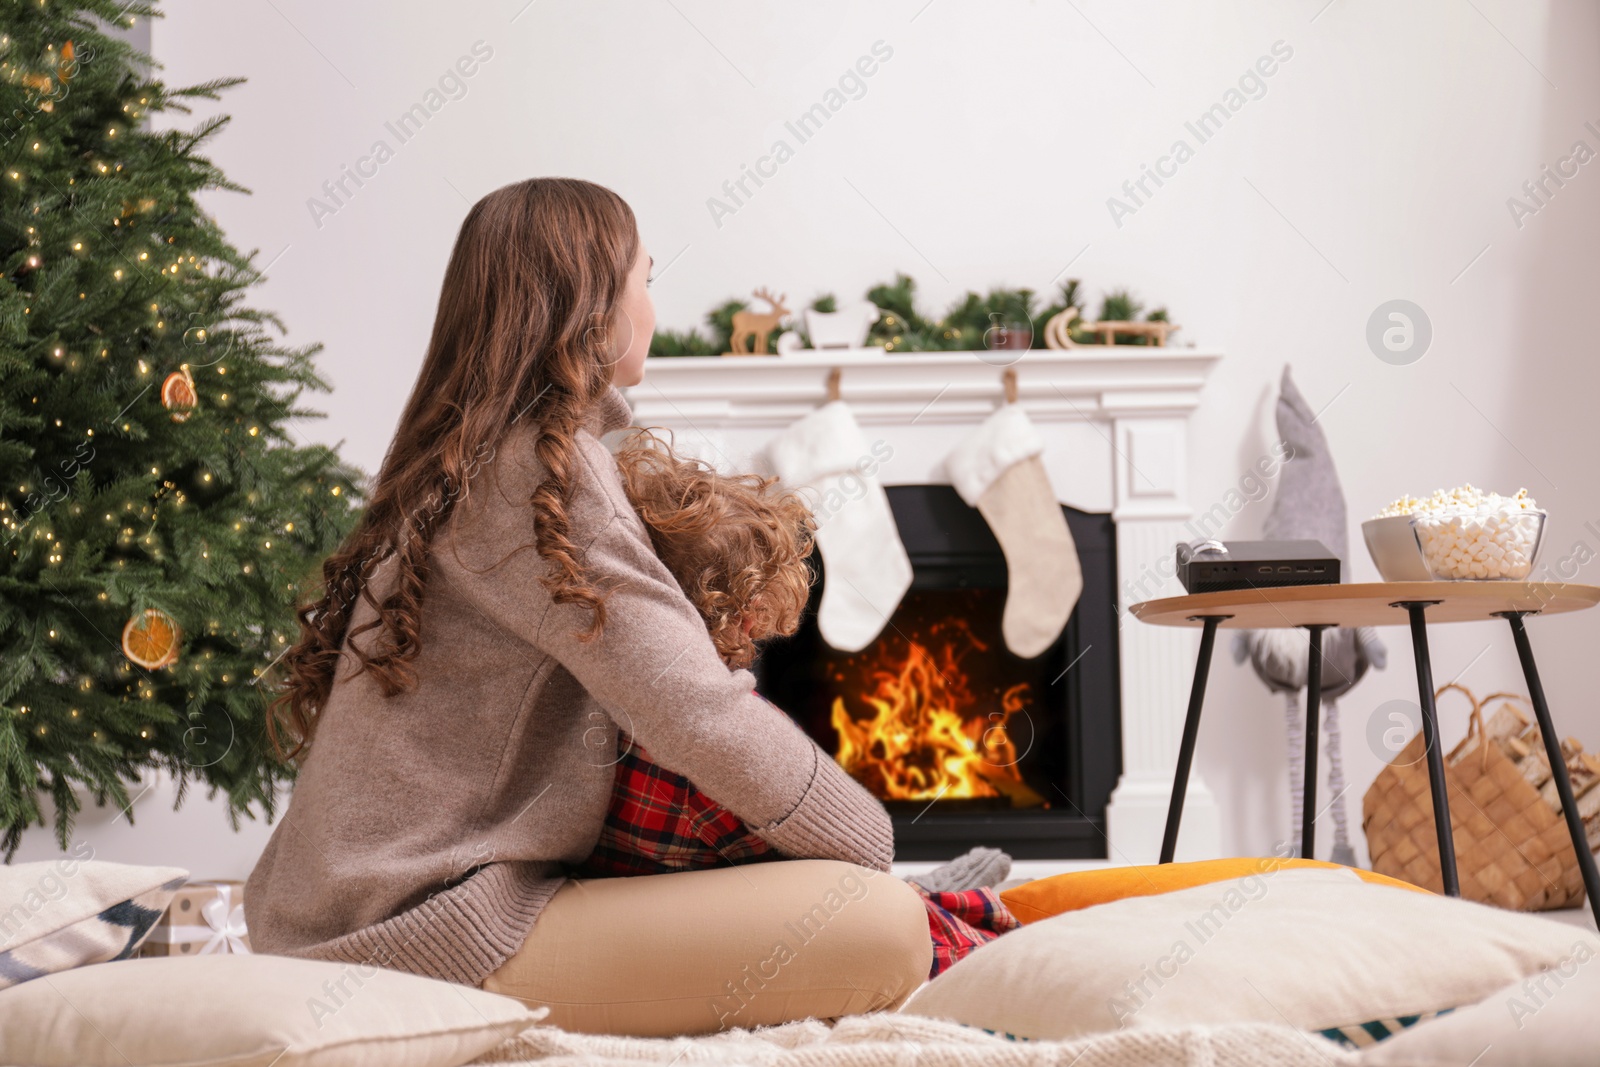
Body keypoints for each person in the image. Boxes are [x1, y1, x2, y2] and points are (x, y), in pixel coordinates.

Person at [245, 178, 931, 1038]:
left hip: (348, 916)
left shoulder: (480, 455)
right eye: (645, 278)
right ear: (593, 305)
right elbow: (695, 713)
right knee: (886, 924)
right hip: (415, 934)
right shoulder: (547, 474)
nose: (652, 305)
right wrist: (869, 835)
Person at [556, 436, 1019, 984]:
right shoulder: (716, 743)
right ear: (749, 618)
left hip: (636, 894)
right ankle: (934, 896)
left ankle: (932, 888)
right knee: (919, 922)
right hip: (740, 916)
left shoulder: (598, 696)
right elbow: (834, 867)